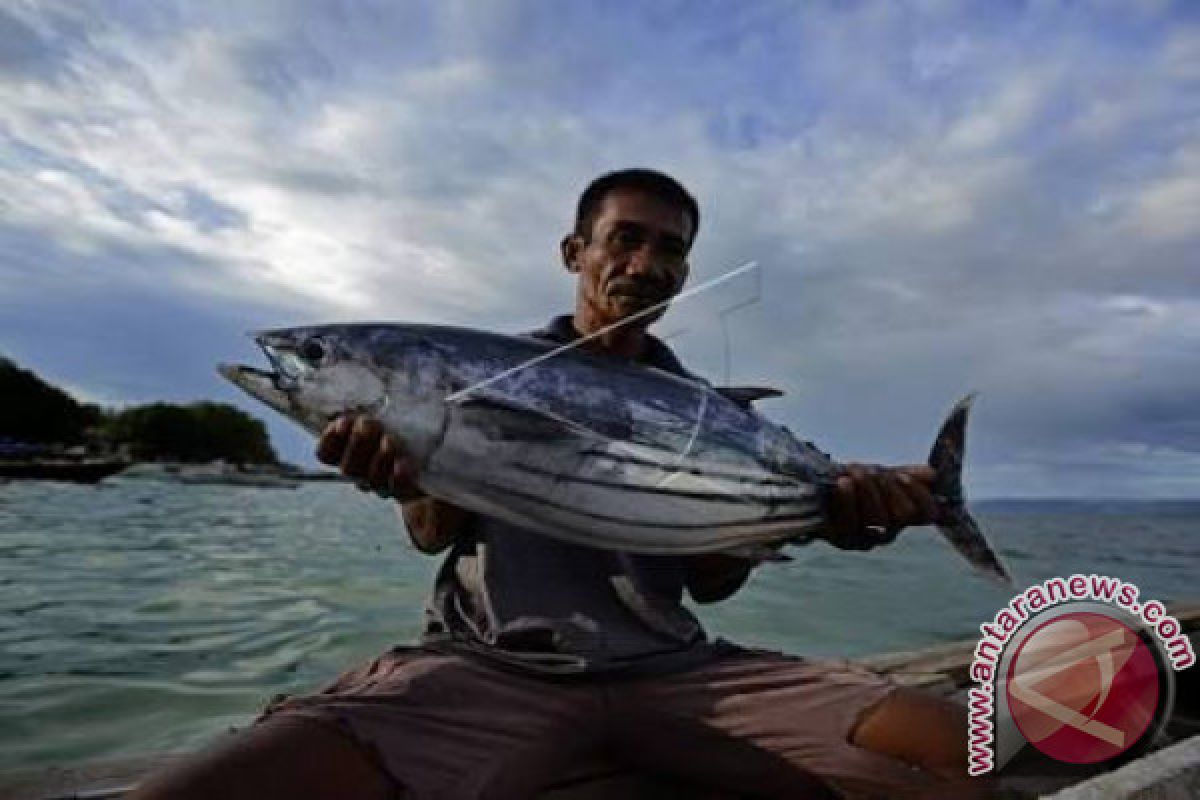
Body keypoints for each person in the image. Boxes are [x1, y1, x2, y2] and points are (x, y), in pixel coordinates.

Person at [132, 169, 970, 800]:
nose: (644, 264)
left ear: (684, 274)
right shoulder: (474, 373)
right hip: (491, 670)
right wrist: (404, 478)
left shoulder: (714, 410)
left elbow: (712, 582)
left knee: (962, 753)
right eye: (624, 240)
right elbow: (432, 531)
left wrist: (835, 515)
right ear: (577, 251)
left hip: (679, 673)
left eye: (668, 250)